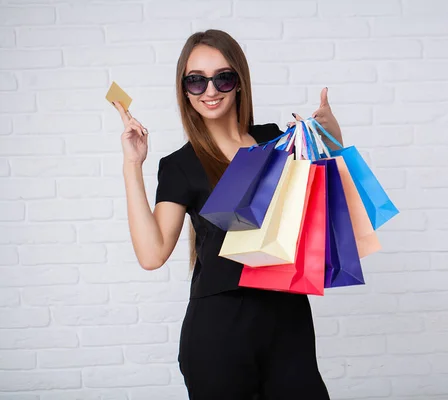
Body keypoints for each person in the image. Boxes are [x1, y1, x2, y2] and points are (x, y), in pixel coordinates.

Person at [114, 30, 343, 400]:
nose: (210, 90)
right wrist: (131, 164)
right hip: (219, 331)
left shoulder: (276, 141)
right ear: (184, 89)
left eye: (223, 77)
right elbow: (152, 255)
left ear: (239, 83)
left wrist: (332, 142)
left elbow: (325, 214)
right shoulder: (180, 165)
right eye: (196, 80)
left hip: (289, 320)